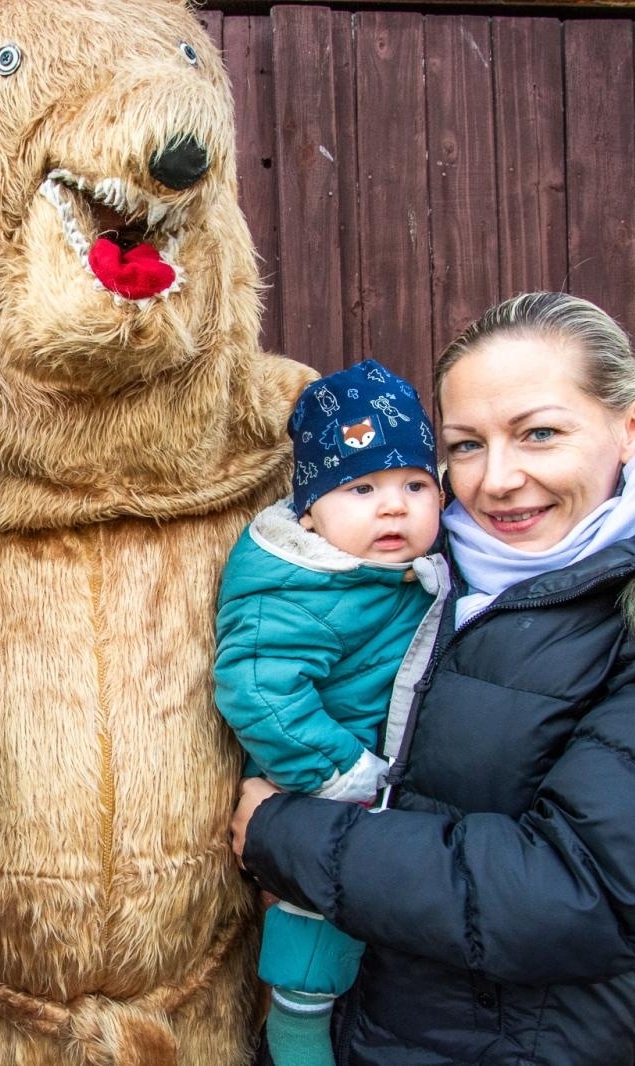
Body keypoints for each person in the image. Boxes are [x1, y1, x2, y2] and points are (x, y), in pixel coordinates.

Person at [230, 291, 635, 1065]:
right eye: (465, 446)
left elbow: (580, 895)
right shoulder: (421, 567)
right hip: (353, 1024)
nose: (496, 480)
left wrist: (284, 834)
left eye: (540, 434)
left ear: (632, 429)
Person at [215, 360, 444, 1066]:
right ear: (310, 510)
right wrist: (341, 774)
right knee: (312, 943)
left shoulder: (403, 569)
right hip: (318, 790)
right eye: (362, 488)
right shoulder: (295, 586)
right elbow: (256, 689)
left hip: (384, 810)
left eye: (415, 484)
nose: (394, 506)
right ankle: (296, 1039)